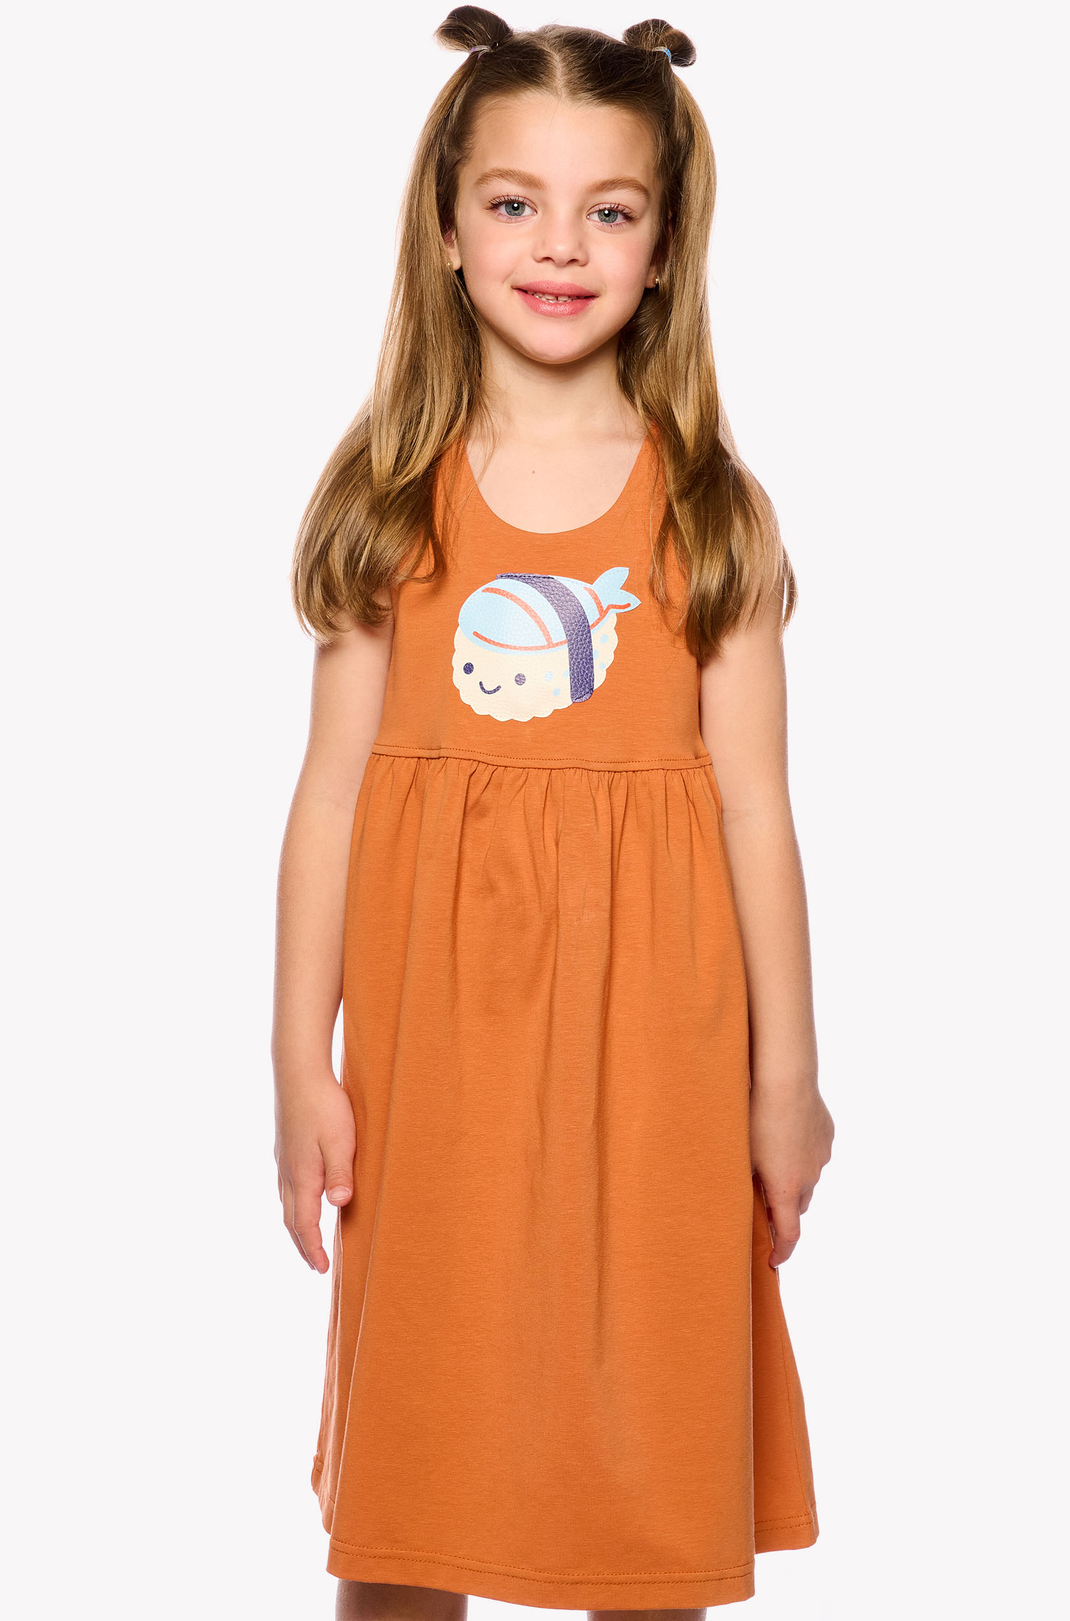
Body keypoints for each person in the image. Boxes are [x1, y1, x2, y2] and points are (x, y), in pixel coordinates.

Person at [272, 8, 835, 1617]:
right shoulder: (391, 497)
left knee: (645, 1457)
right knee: (415, 1474)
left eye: (610, 208)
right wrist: (296, 1060)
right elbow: (329, 792)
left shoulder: (707, 511)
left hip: (658, 1052)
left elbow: (755, 807)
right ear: (447, 228)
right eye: (514, 201)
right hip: (432, 1052)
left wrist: (783, 1080)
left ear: (663, 248)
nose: (561, 245)